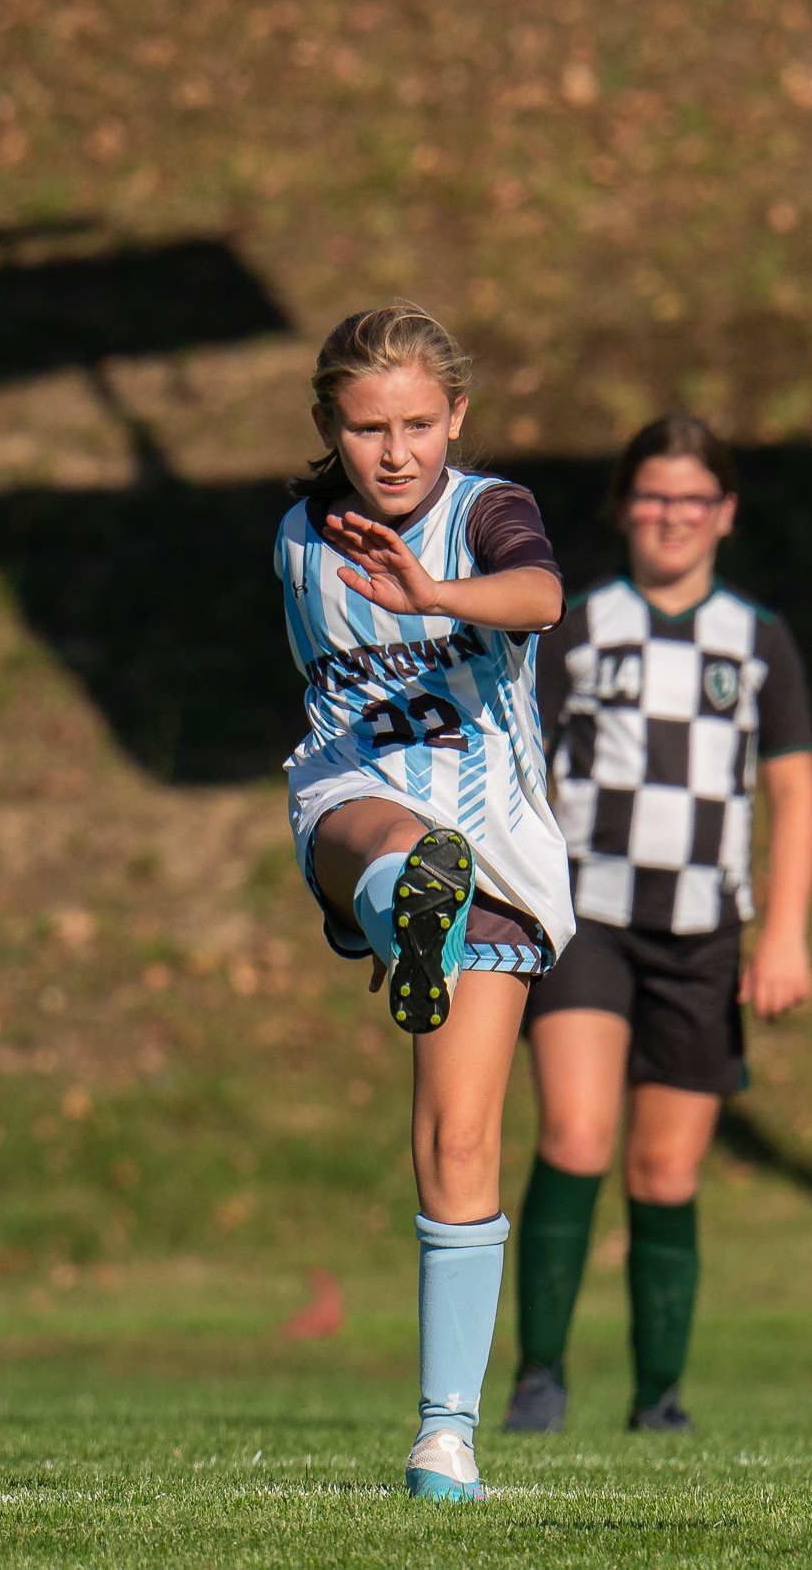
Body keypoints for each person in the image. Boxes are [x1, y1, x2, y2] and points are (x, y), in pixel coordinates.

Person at [275, 303, 573, 1502]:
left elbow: (541, 595)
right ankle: (409, 897)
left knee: (458, 1140)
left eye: (415, 424)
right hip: (353, 801)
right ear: (329, 429)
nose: (393, 451)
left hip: (494, 854)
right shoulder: (299, 531)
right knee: (391, 836)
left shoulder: (486, 510)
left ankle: (443, 1434)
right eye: (365, 427)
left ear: (456, 416)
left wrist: (435, 599)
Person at [504, 411, 812, 1434]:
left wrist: (782, 933)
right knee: (577, 1131)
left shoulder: (759, 639)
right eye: (652, 496)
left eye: (693, 499)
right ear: (622, 507)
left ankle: (658, 1399)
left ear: (724, 513)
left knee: (667, 1166)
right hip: (586, 916)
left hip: (702, 931)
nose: (671, 517)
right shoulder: (577, 626)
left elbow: (796, 793)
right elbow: (516, 768)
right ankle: (538, 1380)